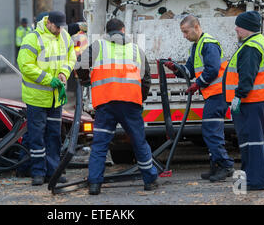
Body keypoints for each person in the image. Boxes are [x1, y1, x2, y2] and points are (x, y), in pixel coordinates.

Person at [76, 18, 158, 195]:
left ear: (107, 32)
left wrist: (86, 80)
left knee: (100, 144)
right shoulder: (136, 49)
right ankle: (149, 180)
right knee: (139, 142)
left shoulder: (98, 46)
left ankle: (95, 184)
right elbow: (146, 79)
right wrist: (140, 98)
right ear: (123, 30)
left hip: (105, 103)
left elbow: (79, 64)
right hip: (130, 103)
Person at [164, 15, 234, 182]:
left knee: (210, 130)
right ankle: (216, 166)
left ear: (196, 27)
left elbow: (213, 69)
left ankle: (225, 165)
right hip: (214, 94)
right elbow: (189, 71)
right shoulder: (197, 46)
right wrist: (176, 68)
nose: (184, 36)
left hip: (218, 93)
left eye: (186, 32)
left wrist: (198, 84)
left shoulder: (208, 44)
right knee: (212, 130)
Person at [17, 11, 77, 186]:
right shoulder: (32, 38)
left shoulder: (64, 35)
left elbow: (70, 57)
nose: (59, 30)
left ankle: (53, 172)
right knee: (37, 136)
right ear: (49, 23)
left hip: (55, 98)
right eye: (57, 27)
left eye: (61, 27)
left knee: (54, 135)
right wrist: (48, 79)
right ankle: (38, 172)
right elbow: (25, 65)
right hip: (36, 97)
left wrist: (63, 73)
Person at [224, 11, 264, 191]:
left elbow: (247, 76)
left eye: (238, 25)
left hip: (252, 102)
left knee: (252, 142)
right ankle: (249, 179)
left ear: (247, 28)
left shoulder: (250, 47)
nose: (236, 29)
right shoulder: (257, 43)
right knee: (252, 142)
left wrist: (238, 96)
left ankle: (255, 181)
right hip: (259, 101)